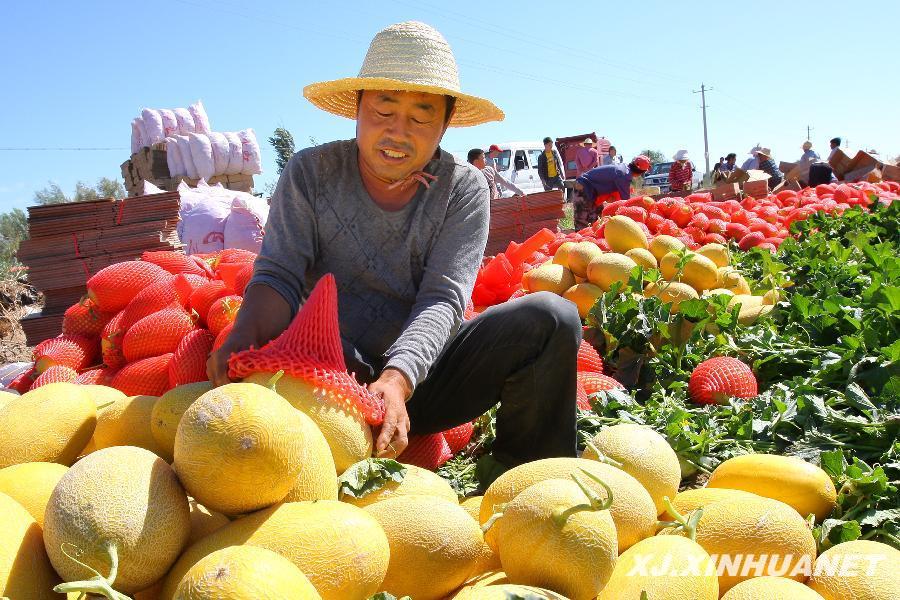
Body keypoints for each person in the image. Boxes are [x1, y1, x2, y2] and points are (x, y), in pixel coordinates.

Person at [207, 21, 580, 483]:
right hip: (322, 372)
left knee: (552, 318)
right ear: (357, 110)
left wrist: (397, 380)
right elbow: (279, 274)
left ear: (444, 126)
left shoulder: (462, 188)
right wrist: (244, 332)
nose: (398, 133)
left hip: (418, 382)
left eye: (421, 118)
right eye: (383, 110)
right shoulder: (311, 173)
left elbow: (443, 298)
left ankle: (529, 482)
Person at [573, 155, 652, 228]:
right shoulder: (624, 175)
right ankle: (579, 241)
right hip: (583, 187)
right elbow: (626, 202)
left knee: (596, 219)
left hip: (591, 190)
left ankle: (591, 239)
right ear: (640, 172)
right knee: (582, 219)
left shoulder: (624, 169)